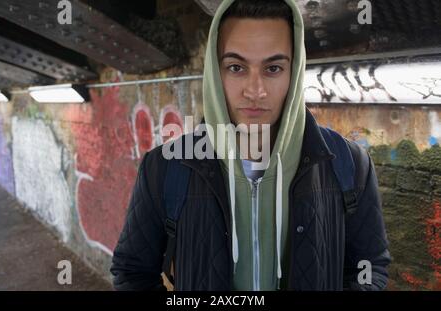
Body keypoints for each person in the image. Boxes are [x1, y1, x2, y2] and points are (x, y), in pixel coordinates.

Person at [110, 0, 391, 291]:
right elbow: (132, 272)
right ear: (215, 73)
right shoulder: (165, 168)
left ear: (294, 73)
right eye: (236, 67)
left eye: (273, 68)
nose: (255, 90)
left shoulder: (349, 164)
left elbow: (369, 266)